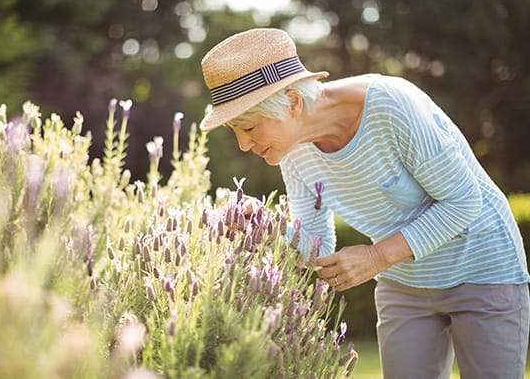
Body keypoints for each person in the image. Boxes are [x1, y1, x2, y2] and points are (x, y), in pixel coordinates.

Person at [199, 28, 530, 379]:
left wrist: (376, 257)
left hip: (483, 270)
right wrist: (263, 228)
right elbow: (315, 246)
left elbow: (464, 201)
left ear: (293, 103)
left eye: (249, 128)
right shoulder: (293, 154)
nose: (243, 146)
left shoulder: (390, 104)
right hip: (405, 286)